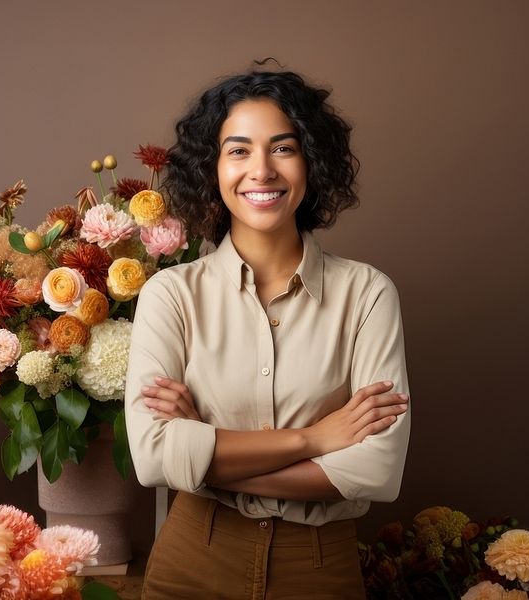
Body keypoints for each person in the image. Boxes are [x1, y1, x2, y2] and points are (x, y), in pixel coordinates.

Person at [124, 68, 410, 598]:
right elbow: (152, 458)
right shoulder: (171, 294)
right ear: (212, 169)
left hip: (320, 568)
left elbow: (376, 469)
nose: (261, 170)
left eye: (283, 148)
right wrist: (314, 439)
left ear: (311, 162)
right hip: (191, 562)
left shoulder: (368, 294)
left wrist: (203, 456)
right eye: (238, 151)